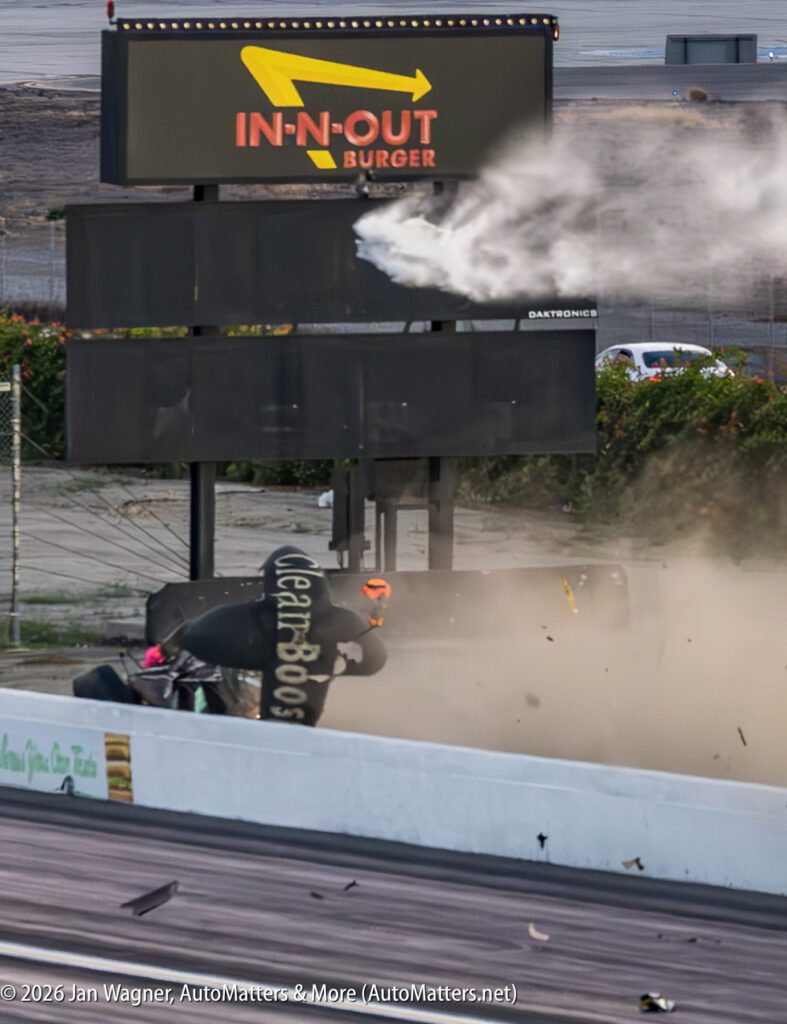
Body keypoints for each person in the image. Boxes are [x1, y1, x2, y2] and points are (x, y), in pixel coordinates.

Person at [181, 546, 387, 726]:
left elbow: (195, 638)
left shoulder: (252, 616)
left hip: (262, 706)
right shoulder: (343, 620)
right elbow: (375, 658)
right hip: (285, 705)